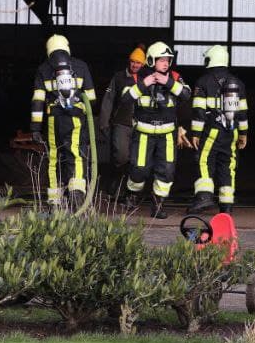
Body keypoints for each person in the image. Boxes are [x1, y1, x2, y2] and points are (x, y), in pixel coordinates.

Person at [30, 34, 96, 210]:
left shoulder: (43, 69)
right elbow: (92, 98)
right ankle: (77, 198)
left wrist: (35, 128)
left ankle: (55, 202)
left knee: (53, 158)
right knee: (75, 155)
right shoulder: (81, 66)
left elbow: (37, 100)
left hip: (53, 120)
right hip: (76, 119)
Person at [123, 41, 188, 218]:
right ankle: (132, 196)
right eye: (162, 60)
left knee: (166, 171)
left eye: (168, 60)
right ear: (151, 61)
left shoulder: (174, 76)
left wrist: (169, 83)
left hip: (167, 135)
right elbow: (125, 98)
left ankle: (158, 205)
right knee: (139, 169)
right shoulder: (139, 77)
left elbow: (186, 94)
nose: (166, 63)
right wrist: (145, 84)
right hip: (144, 134)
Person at [188, 44, 249, 215]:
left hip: (212, 130)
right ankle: (226, 206)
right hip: (232, 132)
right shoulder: (238, 83)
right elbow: (242, 112)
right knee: (228, 166)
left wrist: (196, 133)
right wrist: (243, 133)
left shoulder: (203, 81)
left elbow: (199, 110)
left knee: (204, 160)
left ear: (210, 59)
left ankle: (204, 197)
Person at [98, 46, 146, 193]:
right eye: (132, 62)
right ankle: (116, 181)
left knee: (138, 159)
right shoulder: (118, 77)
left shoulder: (148, 79)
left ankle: (129, 190)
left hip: (143, 125)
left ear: (143, 64)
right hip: (122, 123)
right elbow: (108, 100)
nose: (135, 65)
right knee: (121, 155)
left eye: (138, 63)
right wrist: (104, 122)